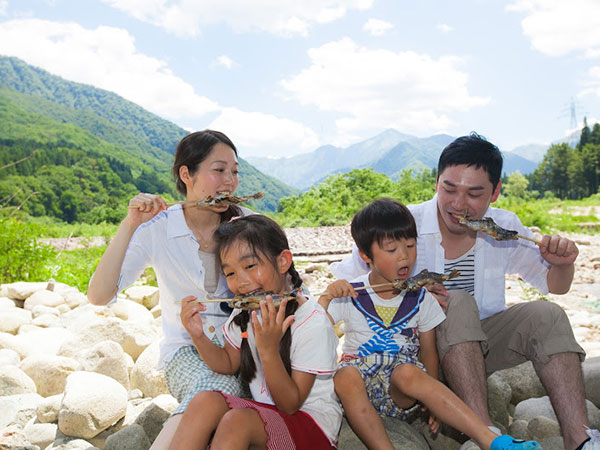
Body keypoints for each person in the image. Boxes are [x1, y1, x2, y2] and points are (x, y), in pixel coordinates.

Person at [330, 133, 599, 450]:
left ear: (495, 192)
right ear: (436, 183)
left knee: (548, 315)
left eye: (474, 193)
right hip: (411, 361)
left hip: (478, 351)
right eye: (449, 189)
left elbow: (556, 287)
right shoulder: (402, 226)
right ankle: (486, 434)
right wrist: (409, 295)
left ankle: (580, 439)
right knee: (455, 301)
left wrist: (563, 264)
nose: (458, 204)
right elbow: (344, 290)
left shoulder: (504, 228)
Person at [319, 198, 540, 450]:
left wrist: (432, 403)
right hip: (358, 388)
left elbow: (429, 352)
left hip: (400, 392)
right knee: (345, 375)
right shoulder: (352, 293)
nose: (404, 256)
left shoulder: (421, 298)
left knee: (407, 371)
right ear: (365, 255)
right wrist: (325, 299)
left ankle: (493, 440)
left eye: (410, 245)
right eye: (391, 250)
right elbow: (320, 333)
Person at [87, 130, 253, 449]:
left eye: (235, 171)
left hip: (243, 349)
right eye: (219, 170)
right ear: (186, 174)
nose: (230, 181)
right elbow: (99, 295)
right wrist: (130, 224)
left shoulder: (248, 224)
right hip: (187, 350)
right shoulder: (158, 226)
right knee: (216, 391)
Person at [168, 215, 342, 449]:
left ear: (283, 262)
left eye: (250, 266)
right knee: (204, 400)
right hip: (268, 414)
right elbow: (228, 363)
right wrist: (197, 335)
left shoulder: (311, 322)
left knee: (237, 422)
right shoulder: (247, 312)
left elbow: (290, 404)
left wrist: (268, 350)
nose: (242, 282)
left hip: (311, 427)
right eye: (230, 273)